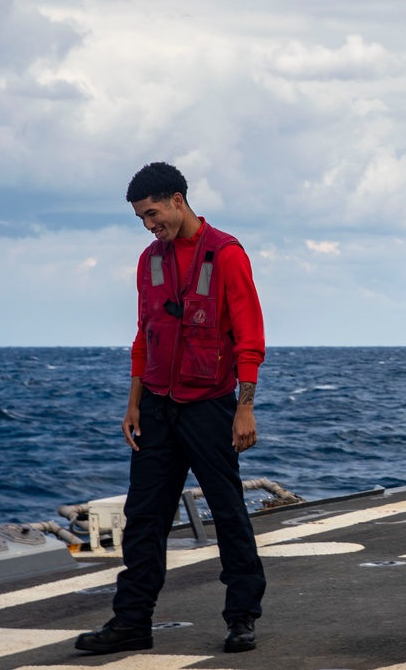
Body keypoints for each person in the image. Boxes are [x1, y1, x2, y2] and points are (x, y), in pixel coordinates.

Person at [76, 162, 267, 655]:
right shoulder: (149, 260)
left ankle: (242, 617)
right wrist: (133, 404)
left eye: (153, 213)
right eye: (142, 218)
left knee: (228, 512)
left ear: (178, 200)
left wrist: (244, 408)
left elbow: (250, 339)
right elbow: (144, 336)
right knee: (143, 518)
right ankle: (132, 622)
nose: (149, 225)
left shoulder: (226, 255)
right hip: (157, 408)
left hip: (209, 407)